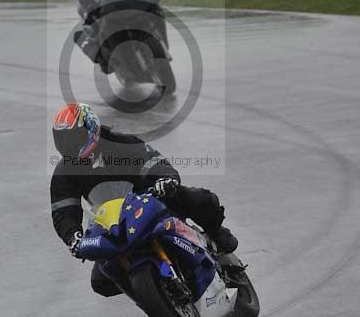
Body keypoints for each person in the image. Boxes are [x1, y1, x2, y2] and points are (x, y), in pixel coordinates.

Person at [49, 101, 238, 297]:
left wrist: (164, 180)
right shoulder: (64, 171)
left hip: (151, 199)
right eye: (64, 140)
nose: (69, 145)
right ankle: (151, 292)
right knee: (100, 282)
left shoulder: (118, 141)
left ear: (91, 128)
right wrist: (73, 236)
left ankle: (215, 233)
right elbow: (63, 210)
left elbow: (152, 161)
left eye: (74, 138)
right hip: (112, 222)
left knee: (198, 199)